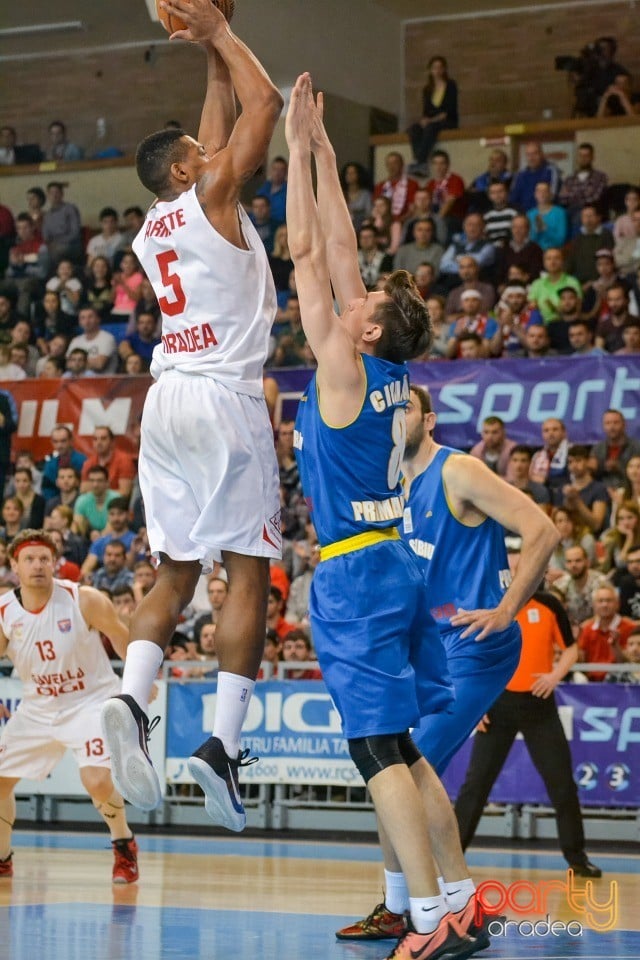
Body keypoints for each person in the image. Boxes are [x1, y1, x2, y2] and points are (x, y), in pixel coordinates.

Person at [287, 72, 491, 960]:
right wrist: (331, 152)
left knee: (376, 753)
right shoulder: (386, 370)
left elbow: (305, 254)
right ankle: (461, 899)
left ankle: (427, 919)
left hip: (358, 572)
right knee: (406, 751)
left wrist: (294, 151)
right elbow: (338, 252)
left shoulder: (340, 362)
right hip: (395, 563)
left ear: (366, 330)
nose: (354, 291)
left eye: (363, 301)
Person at [100, 0, 284, 834]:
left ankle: (133, 705)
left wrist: (206, 54)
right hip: (223, 396)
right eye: (195, 154)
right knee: (247, 571)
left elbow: (216, 125)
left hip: (164, 398)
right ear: (186, 170)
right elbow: (266, 106)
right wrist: (221, 33)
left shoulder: (152, 225)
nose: (208, 154)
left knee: (175, 569)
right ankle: (220, 743)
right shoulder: (212, 191)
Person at [338, 386, 559, 944]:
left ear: (428, 419)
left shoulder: (457, 470)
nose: (395, 417)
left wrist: (508, 609)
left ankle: (448, 906)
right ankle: (406, 904)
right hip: (426, 645)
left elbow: (543, 530)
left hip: (475, 641)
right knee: (387, 766)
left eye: (404, 407)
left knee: (403, 768)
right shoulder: (388, 489)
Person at [0, 529, 138, 884]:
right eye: (29, 559)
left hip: (90, 702)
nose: (38, 566)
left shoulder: (84, 599)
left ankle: (123, 843)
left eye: (45, 559)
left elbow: (122, 637)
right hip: (37, 707)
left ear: (55, 562)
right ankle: (2, 857)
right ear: (14, 565)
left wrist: (138, 685)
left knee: (97, 780)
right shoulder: (4, 611)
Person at [454, 549, 602, 878]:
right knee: (475, 786)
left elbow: (571, 648)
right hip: (496, 705)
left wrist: (554, 675)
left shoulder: (550, 605)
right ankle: (451, 857)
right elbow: (468, 658)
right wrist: (472, 705)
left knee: (562, 783)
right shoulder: (489, 605)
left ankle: (577, 859)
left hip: (539, 707)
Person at [407, 56, 458, 176]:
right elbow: (426, 111)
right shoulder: (427, 89)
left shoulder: (450, 85)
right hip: (432, 120)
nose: (437, 70)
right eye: (434, 68)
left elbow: (449, 110)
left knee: (431, 128)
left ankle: (420, 162)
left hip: (447, 120)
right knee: (414, 129)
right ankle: (419, 160)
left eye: (440, 67)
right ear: (430, 70)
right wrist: (424, 120)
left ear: (444, 69)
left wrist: (431, 120)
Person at [577, 584, 636, 680]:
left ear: (618, 604)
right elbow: (581, 660)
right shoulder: (586, 629)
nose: (604, 605)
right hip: (591, 684)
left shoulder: (630, 628)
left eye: (609, 600)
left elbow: (630, 662)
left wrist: (616, 646)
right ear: (594, 605)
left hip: (621, 682)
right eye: (600, 601)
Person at [80, 426, 136, 500]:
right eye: (95, 439)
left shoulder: (124, 460)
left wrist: (101, 494)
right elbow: (84, 491)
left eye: (103, 438)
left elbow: (125, 492)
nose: (99, 442)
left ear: (112, 441)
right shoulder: (88, 463)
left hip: (117, 505)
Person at [509, 140, 561, 212]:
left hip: (545, 214)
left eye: (534, 154)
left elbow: (553, 196)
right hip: (523, 215)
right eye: (528, 155)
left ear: (542, 154)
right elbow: (513, 198)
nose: (531, 158)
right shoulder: (520, 174)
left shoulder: (551, 171)